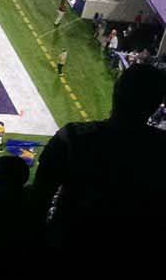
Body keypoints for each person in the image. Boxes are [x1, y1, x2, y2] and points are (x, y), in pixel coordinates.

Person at [33, 63, 166, 258]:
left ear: (117, 91)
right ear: (155, 105)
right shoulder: (160, 149)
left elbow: (38, 199)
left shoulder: (72, 138)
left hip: (69, 247)